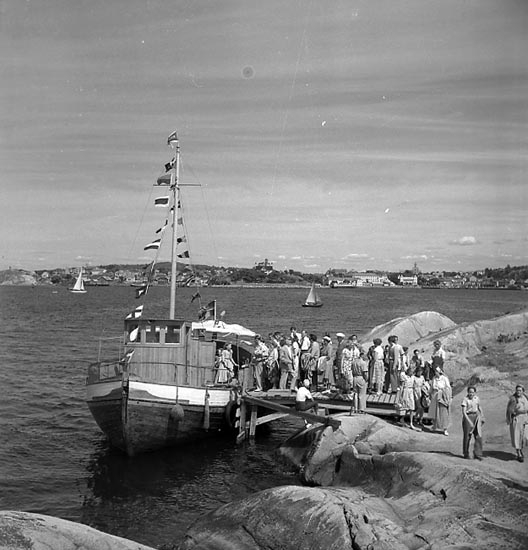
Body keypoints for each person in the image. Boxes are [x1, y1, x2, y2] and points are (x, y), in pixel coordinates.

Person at [506, 384, 528, 462]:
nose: (518, 392)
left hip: (525, 419)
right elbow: (509, 410)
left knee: (525, 437)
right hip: (517, 419)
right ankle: (519, 453)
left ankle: (520, 450)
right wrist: (515, 411)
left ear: (523, 391)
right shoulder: (513, 399)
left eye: (520, 390)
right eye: (517, 390)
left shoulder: (525, 397)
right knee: (517, 436)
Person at [461, 386, 484, 460]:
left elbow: (479, 407)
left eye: (473, 392)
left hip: (476, 416)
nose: (471, 394)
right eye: (470, 392)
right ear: (468, 392)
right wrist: (469, 421)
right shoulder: (465, 399)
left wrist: (482, 416)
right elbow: (464, 412)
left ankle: (478, 453)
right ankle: (466, 453)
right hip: (468, 417)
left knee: (478, 435)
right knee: (467, 436)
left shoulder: (476, 398)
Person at [430, 366, 452, 435]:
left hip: (442, 396)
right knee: (435, 412)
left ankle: (445, 429)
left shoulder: (444, 378)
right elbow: (432, 387)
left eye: (436, 371)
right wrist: (429, 394)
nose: (435, 372)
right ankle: (434, 426)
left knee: (443, 412)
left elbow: (448, 387)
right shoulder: (434, 378)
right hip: (435, 396)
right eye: (435, 371)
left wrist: (448, 396)